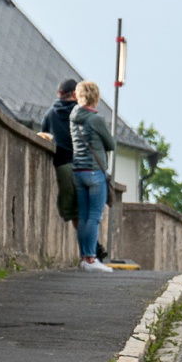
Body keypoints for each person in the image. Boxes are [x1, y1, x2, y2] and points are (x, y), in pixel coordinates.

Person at [69, 81, 115, 272]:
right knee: (94, 217)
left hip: (78, 172)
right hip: (95, 172)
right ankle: (91, 260)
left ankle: (83, 258)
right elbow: (110, 144)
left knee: (84, 216)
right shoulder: (96, 120)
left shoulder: (73, 117)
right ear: (95, 97)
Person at [38, 79, 79, 225]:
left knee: (74, 213)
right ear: (74, 93)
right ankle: (93, 246)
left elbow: (44, 136)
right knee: (89, 211)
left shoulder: (49, 114)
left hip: (62, 167)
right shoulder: (81, 113)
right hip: (83, 167)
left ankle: (90, 246)